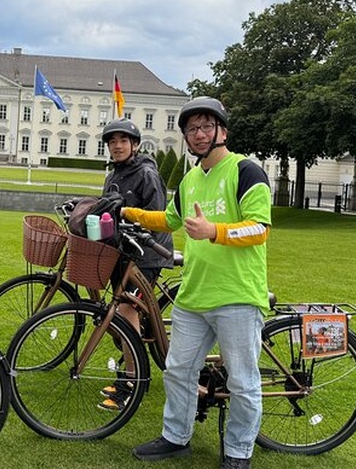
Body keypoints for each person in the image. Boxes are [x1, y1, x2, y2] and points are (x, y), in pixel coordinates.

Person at [124, 97, 271, 469]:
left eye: (207, 126)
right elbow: (170, 220)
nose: (200, 134)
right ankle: (176, 437)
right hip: (194, 295)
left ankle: (238, 452)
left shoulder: (247, 172)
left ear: (222, 130)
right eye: (192, 129)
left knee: (242, 381)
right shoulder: (190, 179)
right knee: (178, 370)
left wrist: (214, 230)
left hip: (237, 295)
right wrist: (129, 212)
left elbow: (259, 228)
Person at [98, 118, 174, 412]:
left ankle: (132, 379)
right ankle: (132, 360)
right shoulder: (114, 175)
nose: (117, 146)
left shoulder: (146, 174)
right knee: (114, 312)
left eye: (123, 141)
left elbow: (157, 217)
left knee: (126, 311)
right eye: (112, 142)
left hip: (147, 255)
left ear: (135, 145)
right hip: (124, 252)